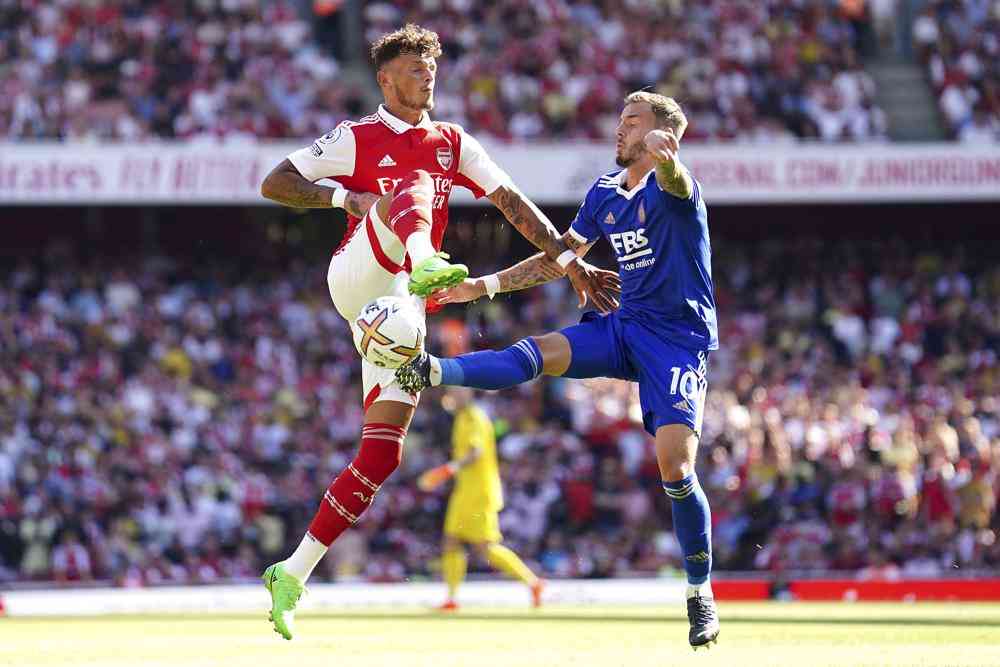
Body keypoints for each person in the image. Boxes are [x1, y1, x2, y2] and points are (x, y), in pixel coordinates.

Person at [257, 24, 618, 640]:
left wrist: (570, 261)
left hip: (400, 307)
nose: (428, 76)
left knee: (383, 452)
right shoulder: (357, 136)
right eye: (415, 67)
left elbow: (513, 202)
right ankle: (425, 255)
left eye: (431, 67)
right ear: (385, 79)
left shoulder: (454, 141)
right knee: (413, 187)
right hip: (358, 274)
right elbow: (276, 183)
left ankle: (291, 573)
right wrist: (348, 202)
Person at [396, 91, 721, 648]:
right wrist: (483, 286)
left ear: (660, 133)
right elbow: (559, 256)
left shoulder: (676, 188)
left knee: (674, 463)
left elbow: (676, 183)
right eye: (619, 120)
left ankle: (699, 593)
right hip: (623, 325)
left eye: (632, 123)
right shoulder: (603, 193)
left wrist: (668, 159)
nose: (620, 130)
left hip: (676, 340)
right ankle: (433, 372)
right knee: (540, 351)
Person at [417, 387, 544, 610]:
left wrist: (447, 470)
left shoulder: (474, 417)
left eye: (457, 392)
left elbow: (475, 453)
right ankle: (452, 598)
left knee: (485, 548)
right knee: (451, 541)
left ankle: (532, 583)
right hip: (465, 491)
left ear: (468, 394)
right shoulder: (462, 417)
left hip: (479, 493)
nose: (453, 397)